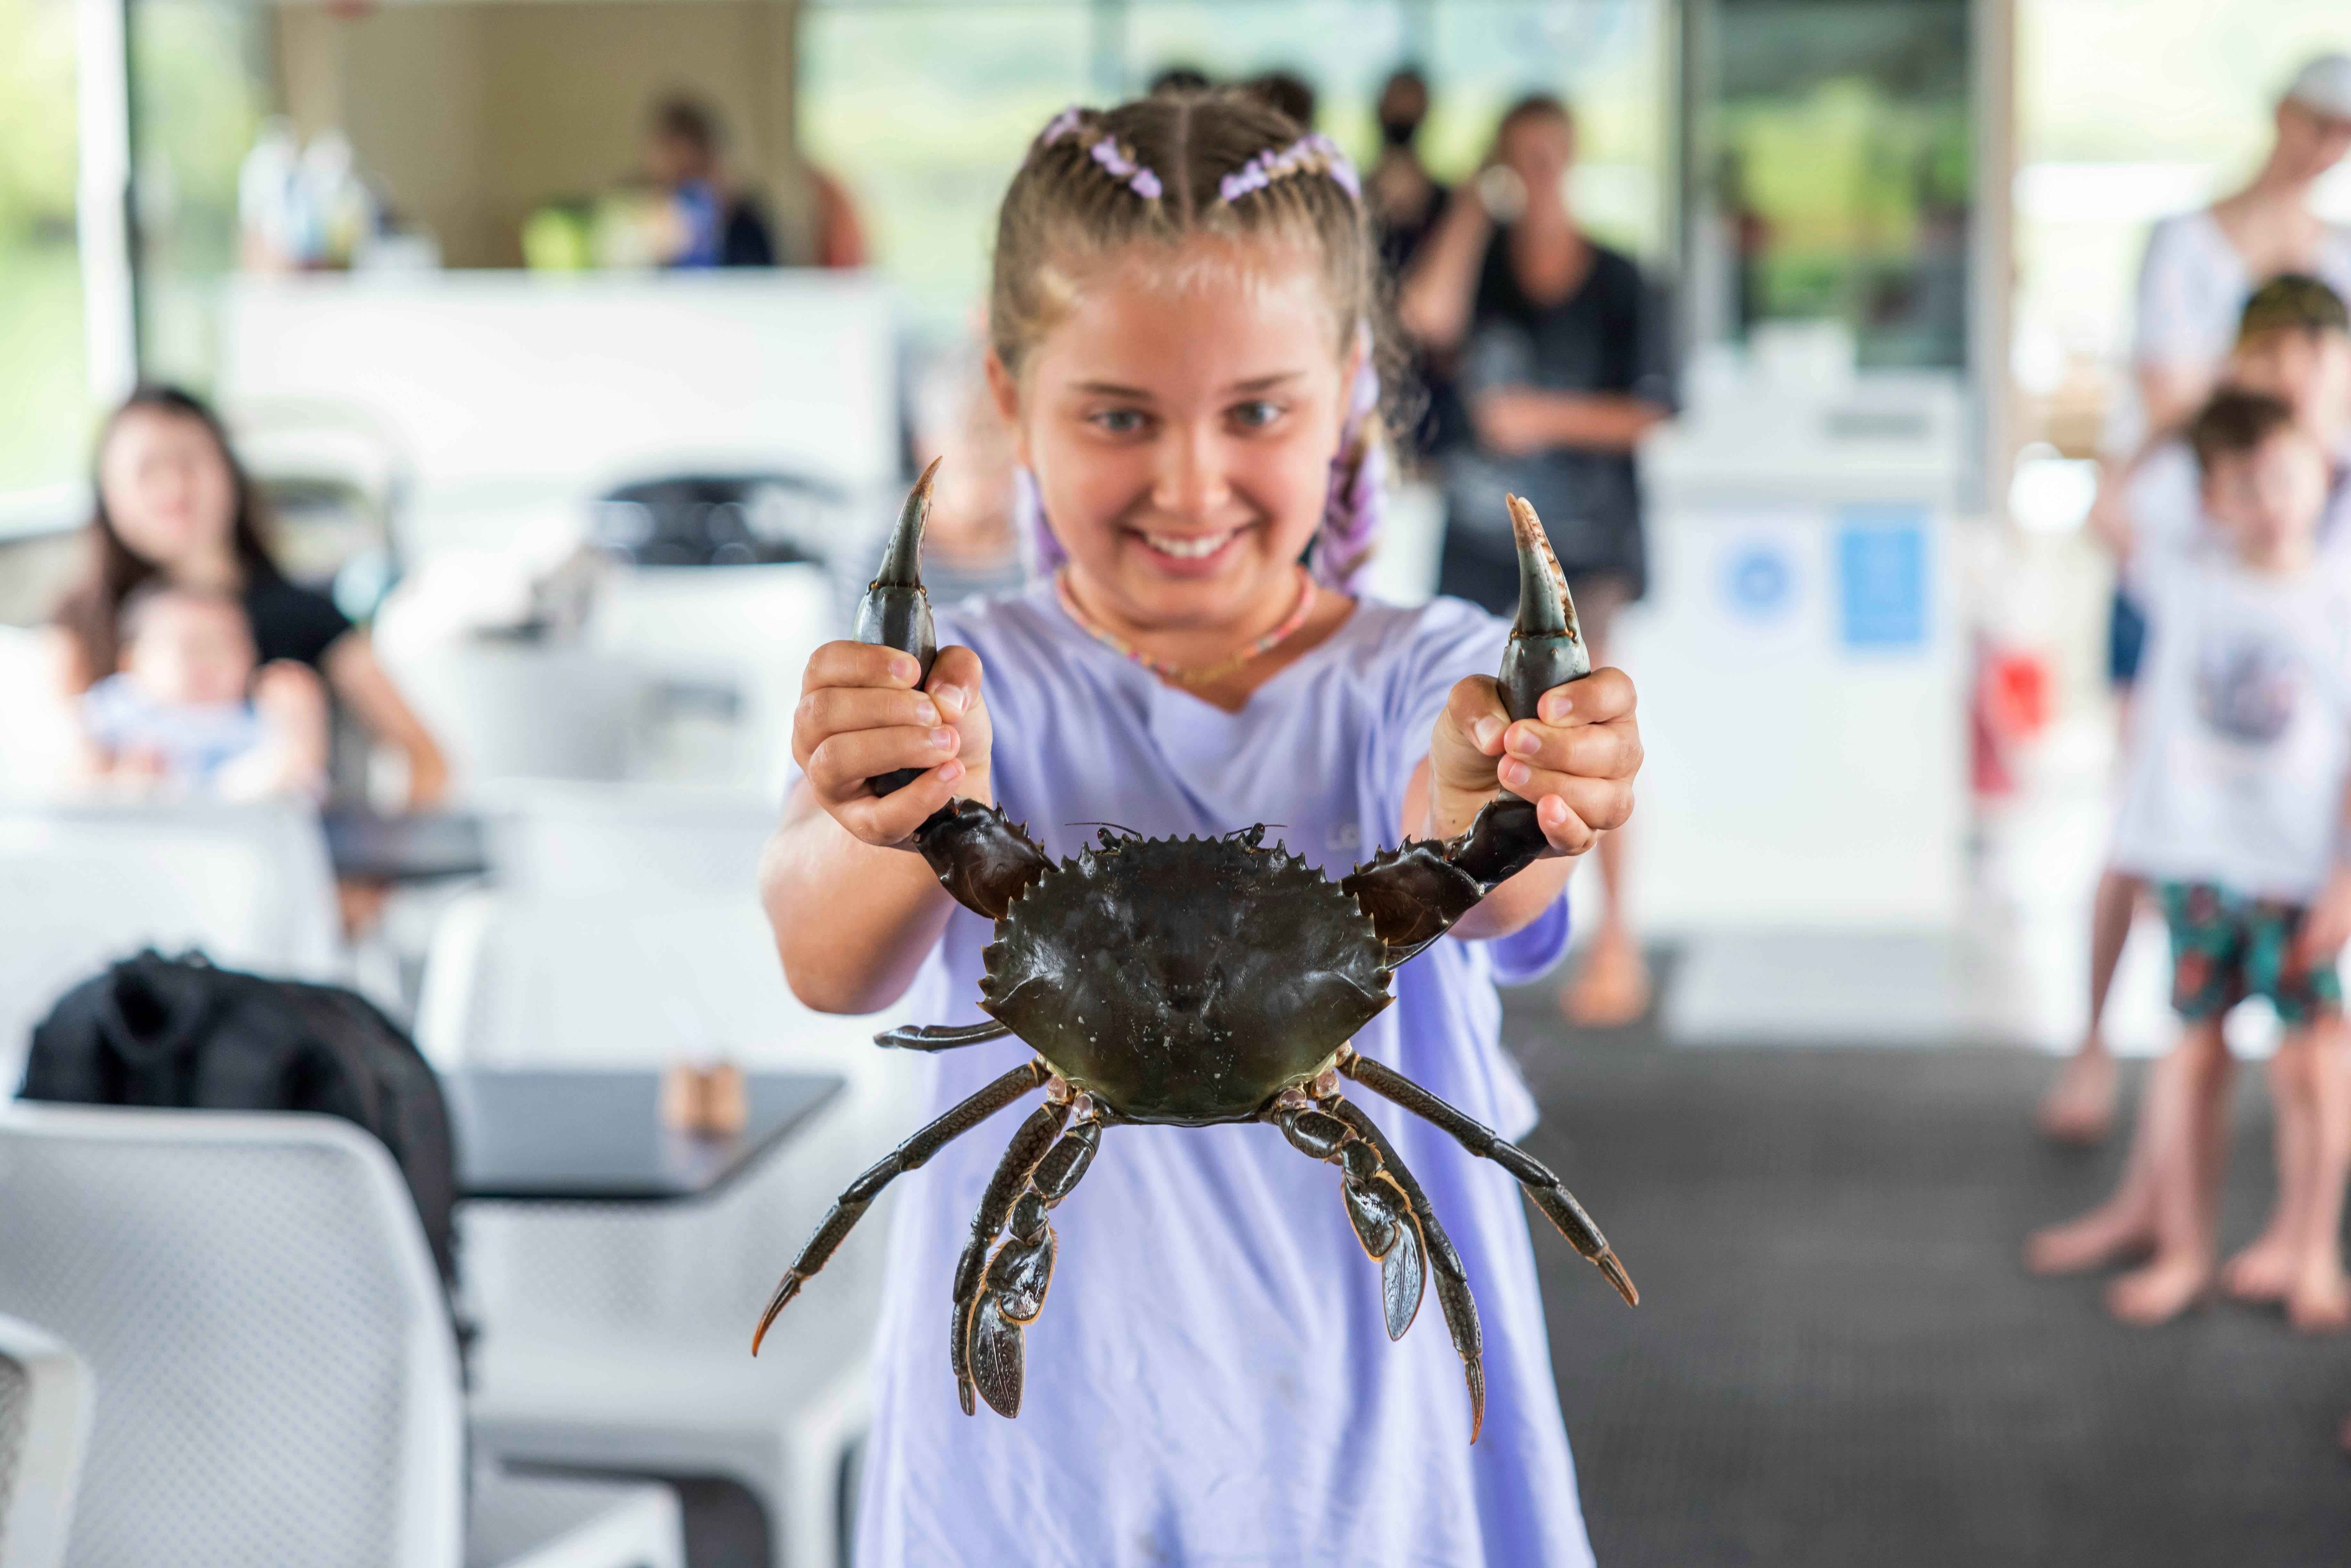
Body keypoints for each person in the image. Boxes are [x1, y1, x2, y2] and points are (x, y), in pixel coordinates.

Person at [761, 92, 1644, 1566]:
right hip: (1036, 1447)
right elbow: (818, 951)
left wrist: (1509, 782)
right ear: (1009, 392)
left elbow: (1482, 855)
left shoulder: (1416, 672)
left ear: (1350, 395)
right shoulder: (955, 696)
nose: (1187, 483)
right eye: (1118, 415)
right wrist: (887, 802)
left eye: (1257, 410)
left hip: (1361, 1449)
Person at [2045, 56, 2351, 1142]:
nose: (2329, 148)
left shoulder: (2334, 261)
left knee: (2289, 813)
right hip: (2183, 567)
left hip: (2291, 581)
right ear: (2282, 118)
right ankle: (2088, 1048)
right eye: (2319, 124)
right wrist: (2270, 393)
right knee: (2143, 810)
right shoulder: (2189, 240)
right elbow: (2174, 402)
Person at [2031, 388, 2351, 1331]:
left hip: (2300, 875)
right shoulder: (2182, 572)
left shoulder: (2336, 596)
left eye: (2285, 477)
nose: (2268, 501)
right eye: (2242, 484)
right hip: (2201, 867)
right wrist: (2169, 421)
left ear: (2321, 477)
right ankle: (2182, 1250)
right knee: (2189, 1057)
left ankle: (2311, 1251)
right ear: (2207, 497)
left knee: (2312, 1068)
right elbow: (2106, 514)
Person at [1399, 93, 1673, 1028]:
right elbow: (1421, 317)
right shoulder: (1478, 268)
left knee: (1581, 726)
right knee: (1473, 734)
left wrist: (1538, 417)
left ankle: (1613, 935)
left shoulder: (1618, 278)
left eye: (1551, 153)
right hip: (1477, 536)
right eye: (1522, 156)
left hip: (1583, 542)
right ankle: (1476, 924)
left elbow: (1651, 407)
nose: (1539, 170)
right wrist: (1475, 202)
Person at [49, 385, 447, 812]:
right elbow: (65, 775)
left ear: (229, 472)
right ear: (108, 493)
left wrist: (370, 874)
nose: (172, 485)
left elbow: (426, 759)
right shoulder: (80, 625)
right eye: (146, 469)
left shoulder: (310, 615)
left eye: (190, 460)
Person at [78, 581, 328, 801]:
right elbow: (74, 765)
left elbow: (309, 798)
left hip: (241, 817)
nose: (208, 661)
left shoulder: (259, 717)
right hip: (147, 824)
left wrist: (298, 726)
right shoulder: (121, 707)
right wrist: (115, 774)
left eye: (224, 645)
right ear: (132, 663)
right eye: (190, 646)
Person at [648, 96, 778, 268]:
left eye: (695, 171)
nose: (690, 192)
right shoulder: (642, 213)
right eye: (681, 177)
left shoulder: (745, 222)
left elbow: (759, 279)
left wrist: (720, 223)